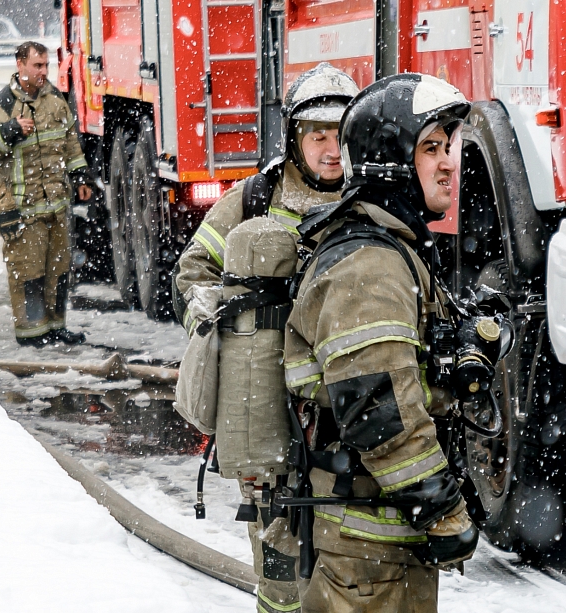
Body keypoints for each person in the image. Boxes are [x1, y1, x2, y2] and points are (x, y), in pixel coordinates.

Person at [284, 74, 478, 613]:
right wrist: (440, 508)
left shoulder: (396, 248)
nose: (449, 162)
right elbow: (378, 409)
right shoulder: (370, 266)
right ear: (389, 161)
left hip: (382, 542)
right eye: (430, 147)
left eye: (450, 146)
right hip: (367, 550)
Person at [172, 62, 359, 613]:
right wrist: (220, 325)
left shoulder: (374, 197)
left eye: (339, 135)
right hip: (269, 401)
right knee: (278, 544)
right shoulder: (255, 198)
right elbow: (193, 269)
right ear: (294, 140)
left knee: (348, 545)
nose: (330, 150)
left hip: (343, 400)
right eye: (316, 136)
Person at [0, 41, 92, 346]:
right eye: (37, 65)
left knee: (58, 270)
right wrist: (8, 132)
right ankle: (32, 333)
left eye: (46, 65)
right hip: (22, 209)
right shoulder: (3, 104)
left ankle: (56, 327)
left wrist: (80, 175)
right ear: (20, 64)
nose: (43, 72)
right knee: (29, 274)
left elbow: (70, 143)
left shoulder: (56, 101)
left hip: (56, 205)